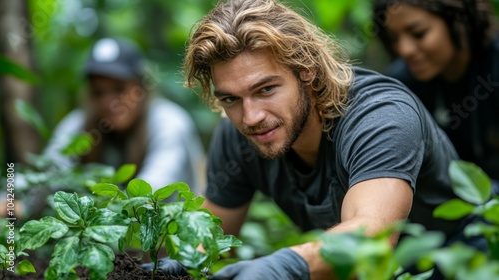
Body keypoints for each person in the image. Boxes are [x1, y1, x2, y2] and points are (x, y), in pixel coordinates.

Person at [145, 0, 487, 279]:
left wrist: (284, 266)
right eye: (231, 99)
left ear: (306, 69)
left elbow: (371, 237)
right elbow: (212, 240)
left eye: (266, 89)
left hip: (467, 262)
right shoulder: (238, 135)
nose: (251, 117)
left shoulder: (381, 116)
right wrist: (178, 269)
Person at [45, 37, 205, 194]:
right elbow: (47, 174)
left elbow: (152, 191)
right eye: (98, 92)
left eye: (119, 89)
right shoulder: (80, 122)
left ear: (141, 88)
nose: (109, 102)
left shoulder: (169, 122)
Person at [372, 0, 499, 190]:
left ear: (457, 22)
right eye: (394, 38)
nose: (404, 49)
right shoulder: (400, 87)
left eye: (418, 34)